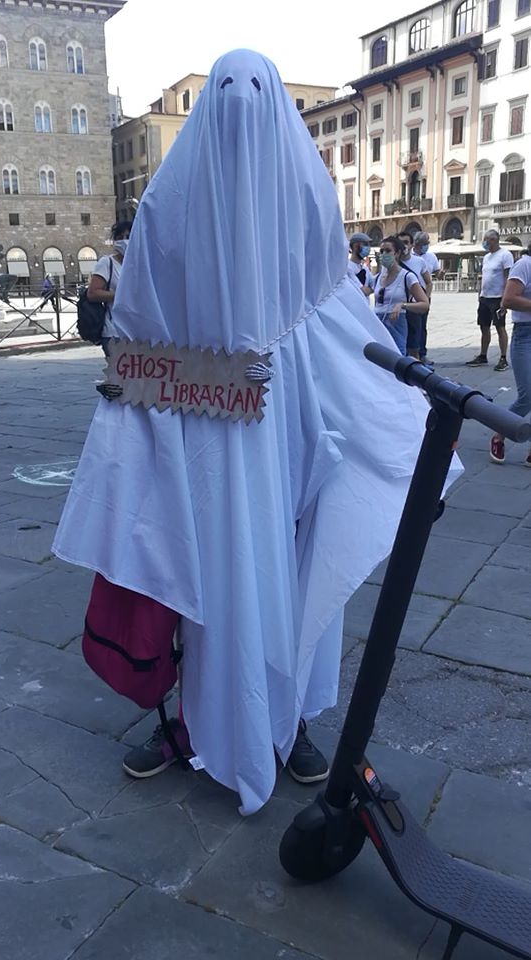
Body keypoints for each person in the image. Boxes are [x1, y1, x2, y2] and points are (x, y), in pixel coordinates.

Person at [53, 50, 452, 816]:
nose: (238, 103)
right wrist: (147, 402)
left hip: (294, 427)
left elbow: (338, 311)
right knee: (193, 575)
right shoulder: (171, 205)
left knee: (296, 573)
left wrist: (400, 411)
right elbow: (138, 330)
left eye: (253, 89)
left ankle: (288, 721)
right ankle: (192, 724)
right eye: (224, 89)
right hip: (198, 430)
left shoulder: (305, 197)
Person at [490, 243, 531, 466]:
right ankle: (499, 435)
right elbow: (508, 299)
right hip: (526, 336)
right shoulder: (524, 265)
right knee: (528, 395)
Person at [466, 229, 514, 371]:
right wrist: (480, 293)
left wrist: (505, 298)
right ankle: (483, 355)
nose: (485, 242)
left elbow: (507, 278)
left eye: (487, 239)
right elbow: (484, 276)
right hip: (485, 298)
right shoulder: (486, 257)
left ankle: (503, 358)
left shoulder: (505, 255)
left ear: (494, 240)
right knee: (484, 326)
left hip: (498, 297)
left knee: (500, 327)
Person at [374, 236, 429, 355]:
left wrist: (403, 305)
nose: (384, 254)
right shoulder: (377, 278)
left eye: (388, 251)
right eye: (381, 251)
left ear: (397, 253)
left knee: (397, 360)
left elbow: (424, 304)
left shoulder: (407, 277)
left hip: (397, 325)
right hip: (378, 327)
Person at [87, 220, 132, 356]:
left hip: (139, 331)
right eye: (120, 238)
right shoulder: (107, 263)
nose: (124, 241)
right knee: (121, 376)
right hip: (115, 332)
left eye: (128, 237)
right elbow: (93, 293)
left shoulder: (143, 264)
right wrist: (121, 294)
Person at [397, 231, 431, 360]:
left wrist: (425, 299)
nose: (403, 245)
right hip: (397, 308)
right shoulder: (392, 263)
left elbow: (428, 282)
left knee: (415, 341)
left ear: (411, 245)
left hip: (413, 306)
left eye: (406, 242)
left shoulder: (419, 262)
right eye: (400, 243)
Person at [413, 231, 440, 364]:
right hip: (411, 295)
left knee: (422, 326)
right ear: (417, 244)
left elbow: (436, 272)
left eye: (428, 243)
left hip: (424, 294)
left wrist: (427, 297)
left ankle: (422, 353)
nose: (427, 246)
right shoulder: (410, 257)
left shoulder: (431, 257)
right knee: (412, 325)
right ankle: (413, 352)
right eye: (425, 244)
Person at [347, 232, 376, 298]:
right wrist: (371, 289)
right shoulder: (347, 268)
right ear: (355, 246)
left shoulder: (365, 268)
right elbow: (362, 291)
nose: (368, 248)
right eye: (365, 244)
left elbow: (376, 284)